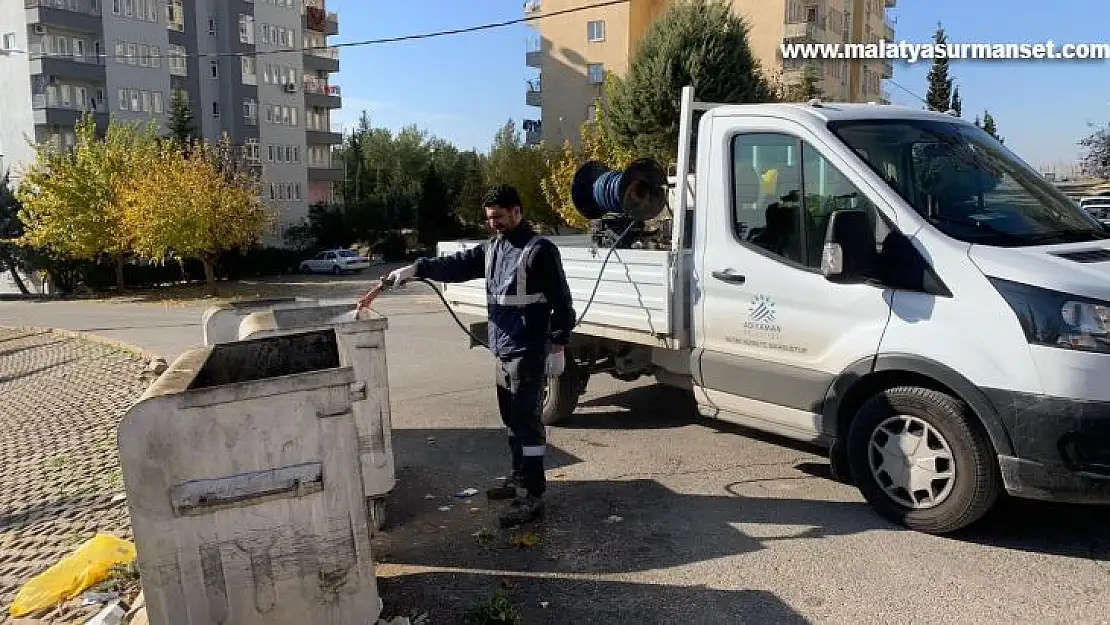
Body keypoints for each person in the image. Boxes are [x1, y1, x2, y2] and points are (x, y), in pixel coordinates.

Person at [362, 184, 575, 527]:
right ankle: (519, 478)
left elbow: (562, 303)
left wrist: (559, 344)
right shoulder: (492, 249)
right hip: (502, 349)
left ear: (517, 212)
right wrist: (417, 269)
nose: (494, 224)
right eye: (490, 219)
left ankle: (532, 495)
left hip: (528, 351)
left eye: (500, 218)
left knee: (527, 424)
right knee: (511, 422)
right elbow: (456, 265)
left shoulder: (539, 251)